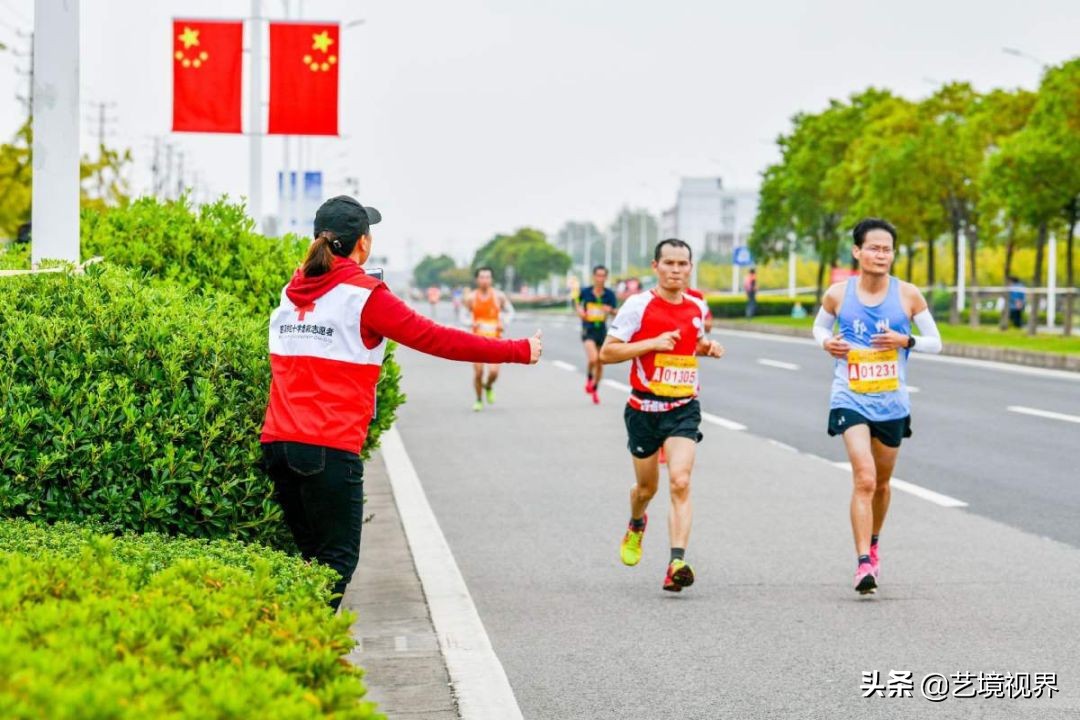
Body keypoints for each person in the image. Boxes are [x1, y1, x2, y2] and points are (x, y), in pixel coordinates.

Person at [260, 196, 542, 610]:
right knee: (335, 562)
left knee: (310, 562)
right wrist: (518, 349)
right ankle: (302, 653)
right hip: (327, 447)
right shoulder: (363, 295)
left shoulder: (293, 288)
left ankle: (295, 646)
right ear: (363, 244)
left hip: (278, 445)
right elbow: (435, 338)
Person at [812, 218, 942, 595]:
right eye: (874, 248)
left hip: (891, 401)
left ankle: (874, 541)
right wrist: (826, 343)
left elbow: (936, 341)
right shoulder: (838, 293)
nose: (881, 254)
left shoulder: (908, 295)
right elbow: (818, 328)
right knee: (865, 477)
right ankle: (862, 564)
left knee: (882, 483)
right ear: (857, 252)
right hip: (849, 395)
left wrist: (906, 340)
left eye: (887, 249)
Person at [600, 239, 725, 593]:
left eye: (682, 264)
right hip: (643, 408)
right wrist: (651, 343)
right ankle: (637, 523)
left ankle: (676, 562)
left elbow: (692, 342)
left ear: (690, 268)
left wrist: (707, 348)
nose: (676, 270)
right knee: (646, 488)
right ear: (655, 266)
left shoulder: (697, 305)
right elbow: (608, 353)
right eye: (668, 263)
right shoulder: (638, 306)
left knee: (680, 481)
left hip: (683, 407)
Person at [464, 267, 515, 412]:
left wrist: (503, 322)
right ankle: (479, 399)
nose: (485, 280)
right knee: (478, 372)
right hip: (477, 340)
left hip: (495, 340)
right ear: (477, 279)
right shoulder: (471, 298)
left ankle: (489, 386)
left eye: (487, 277)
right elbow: (463, 315)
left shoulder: (499, 296)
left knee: (493, 372)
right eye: (482, 277)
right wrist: (471, 323)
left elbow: (510, 312)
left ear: (491, 279)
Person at [575, 265, 618, 404]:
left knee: (600, 363)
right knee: (593, 359)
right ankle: (589, 378)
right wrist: (580, 311)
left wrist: (610, 310)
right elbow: (576, 303)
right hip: (588, 329)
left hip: (602, 331)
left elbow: (616, 312)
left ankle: (595, 388)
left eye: (603, 276)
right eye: (598, 275)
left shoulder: (609, 294)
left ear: (606, 277)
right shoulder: (585, 292)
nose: (600, 278)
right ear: (594, 277)